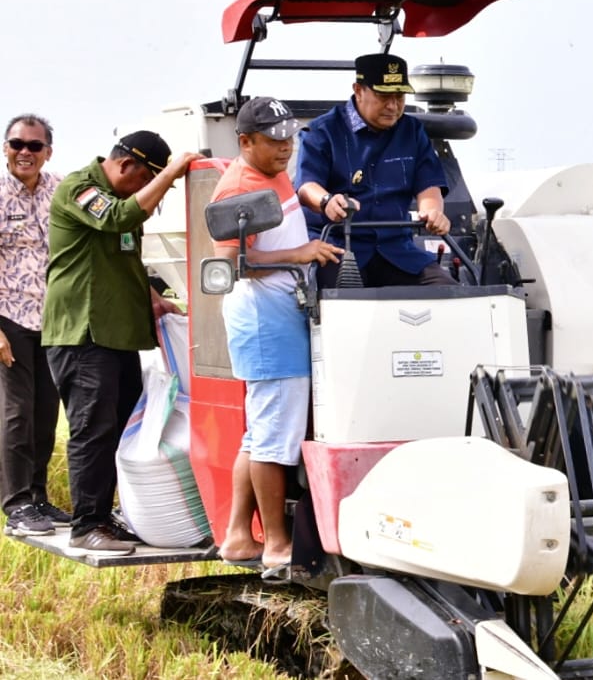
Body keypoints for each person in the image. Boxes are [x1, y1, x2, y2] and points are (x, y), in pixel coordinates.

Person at [42, 131, 199, 555]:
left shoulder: (119, 203)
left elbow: (122, 254)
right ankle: (86, 524)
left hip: (116, 336)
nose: (151, 191)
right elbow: (116, 220)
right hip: (83, 334)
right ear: (128, 166)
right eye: (148, 178)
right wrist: (169, 174)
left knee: (125, 426)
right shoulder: (80, 189)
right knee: (93, 430)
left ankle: (106, 515)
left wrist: (154, 299)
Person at [211, 98, 343, 570]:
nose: (286, 147)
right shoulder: (238, 189)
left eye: (290, 137)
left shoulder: (271, 170)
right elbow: (230, 264)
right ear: (245, 142)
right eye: (273, 140)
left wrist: (318, 202)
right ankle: (276, 545)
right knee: (274, 440)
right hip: (267, 324)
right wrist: (300, 253)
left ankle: (236, 537)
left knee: (260, 435)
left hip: (281, 318)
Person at [295, 52, 454, 288]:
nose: (393, 105)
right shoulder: (323, 131)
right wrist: (328, 201)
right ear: (358, 90)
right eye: (383, 96)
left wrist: (433, 213)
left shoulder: (412, 131)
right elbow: (306, 187)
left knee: (447, 291)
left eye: (399, 96)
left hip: (397, 249)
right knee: (342, 304)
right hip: (338, 247)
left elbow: (428, 186)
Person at [0, 115, 69, 537]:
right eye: (16, 144)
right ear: (5, 148)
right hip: (8, 319)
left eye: (34, 146)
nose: (25, 152)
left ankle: (39, 499)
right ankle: (17, 505)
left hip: (54, 320)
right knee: (15, 414)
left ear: (48, 151)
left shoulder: (60, 189)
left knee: (46, 413)